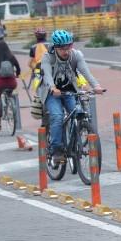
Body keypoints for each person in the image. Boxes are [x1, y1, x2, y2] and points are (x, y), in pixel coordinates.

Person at [39, 30, 106, 162]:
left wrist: (96, 86)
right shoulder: (48, 57)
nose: (66, 51)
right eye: (62, 48)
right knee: (57, 116)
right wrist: (53, 88)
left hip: (70, 90)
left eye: (69, 46)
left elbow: (86, 72)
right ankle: (56, 149)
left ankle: (76, 139)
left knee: (79, 113)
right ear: (56, 47)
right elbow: (47, 75)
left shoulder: (76, 55)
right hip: (52, 93)